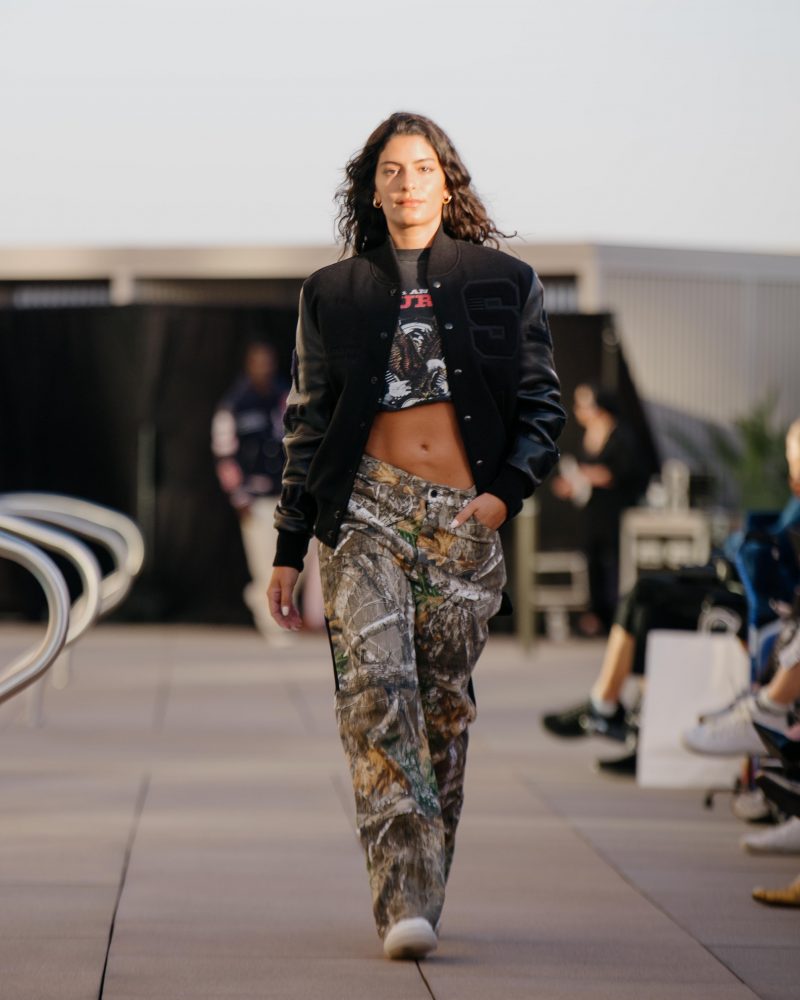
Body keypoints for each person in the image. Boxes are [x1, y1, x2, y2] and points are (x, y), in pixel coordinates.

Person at [267, 112, 565, 959]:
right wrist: (289, 548)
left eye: (422, 168)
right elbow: (308, 422)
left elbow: (543, 406)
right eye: (392, 170)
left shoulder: (505, 282)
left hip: (463, 519)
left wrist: (501, 498)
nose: (407, 184)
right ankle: (402, 899)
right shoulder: (332, 291)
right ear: (373, 188)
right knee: (376, 692)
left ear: (446, 181)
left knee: (441, 714)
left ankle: (424, 885)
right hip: (363, 508)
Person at [542, 419, 800, 761]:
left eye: (793, 459)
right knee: (643, 599)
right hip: (750, 594)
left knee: (649, 604)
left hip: (759, 605)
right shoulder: (794, 501)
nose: (791, 473)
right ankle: (623, 719)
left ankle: (616, 714)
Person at [212, 342, 291, 639]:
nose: (264, 368)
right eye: (258, 362)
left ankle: (261, 599)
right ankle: (273, 624)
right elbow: (224, 455)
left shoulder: (284, 396)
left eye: (268, 362)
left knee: (294, 558)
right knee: (264, 562)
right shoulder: (235, 404)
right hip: (255, 497)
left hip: (286, 493)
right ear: (248, 365)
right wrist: (239, 496)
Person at [551, 384, 641, 634]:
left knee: (615, 561)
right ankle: (596, 614)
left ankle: (617, 614)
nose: (579, 410)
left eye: (584, 404)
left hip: (616, 509)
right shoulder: (586, 434)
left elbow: (621, 471)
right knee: (592, 558)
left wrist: (589, 474)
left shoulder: (621, 434)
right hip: (591, 509)